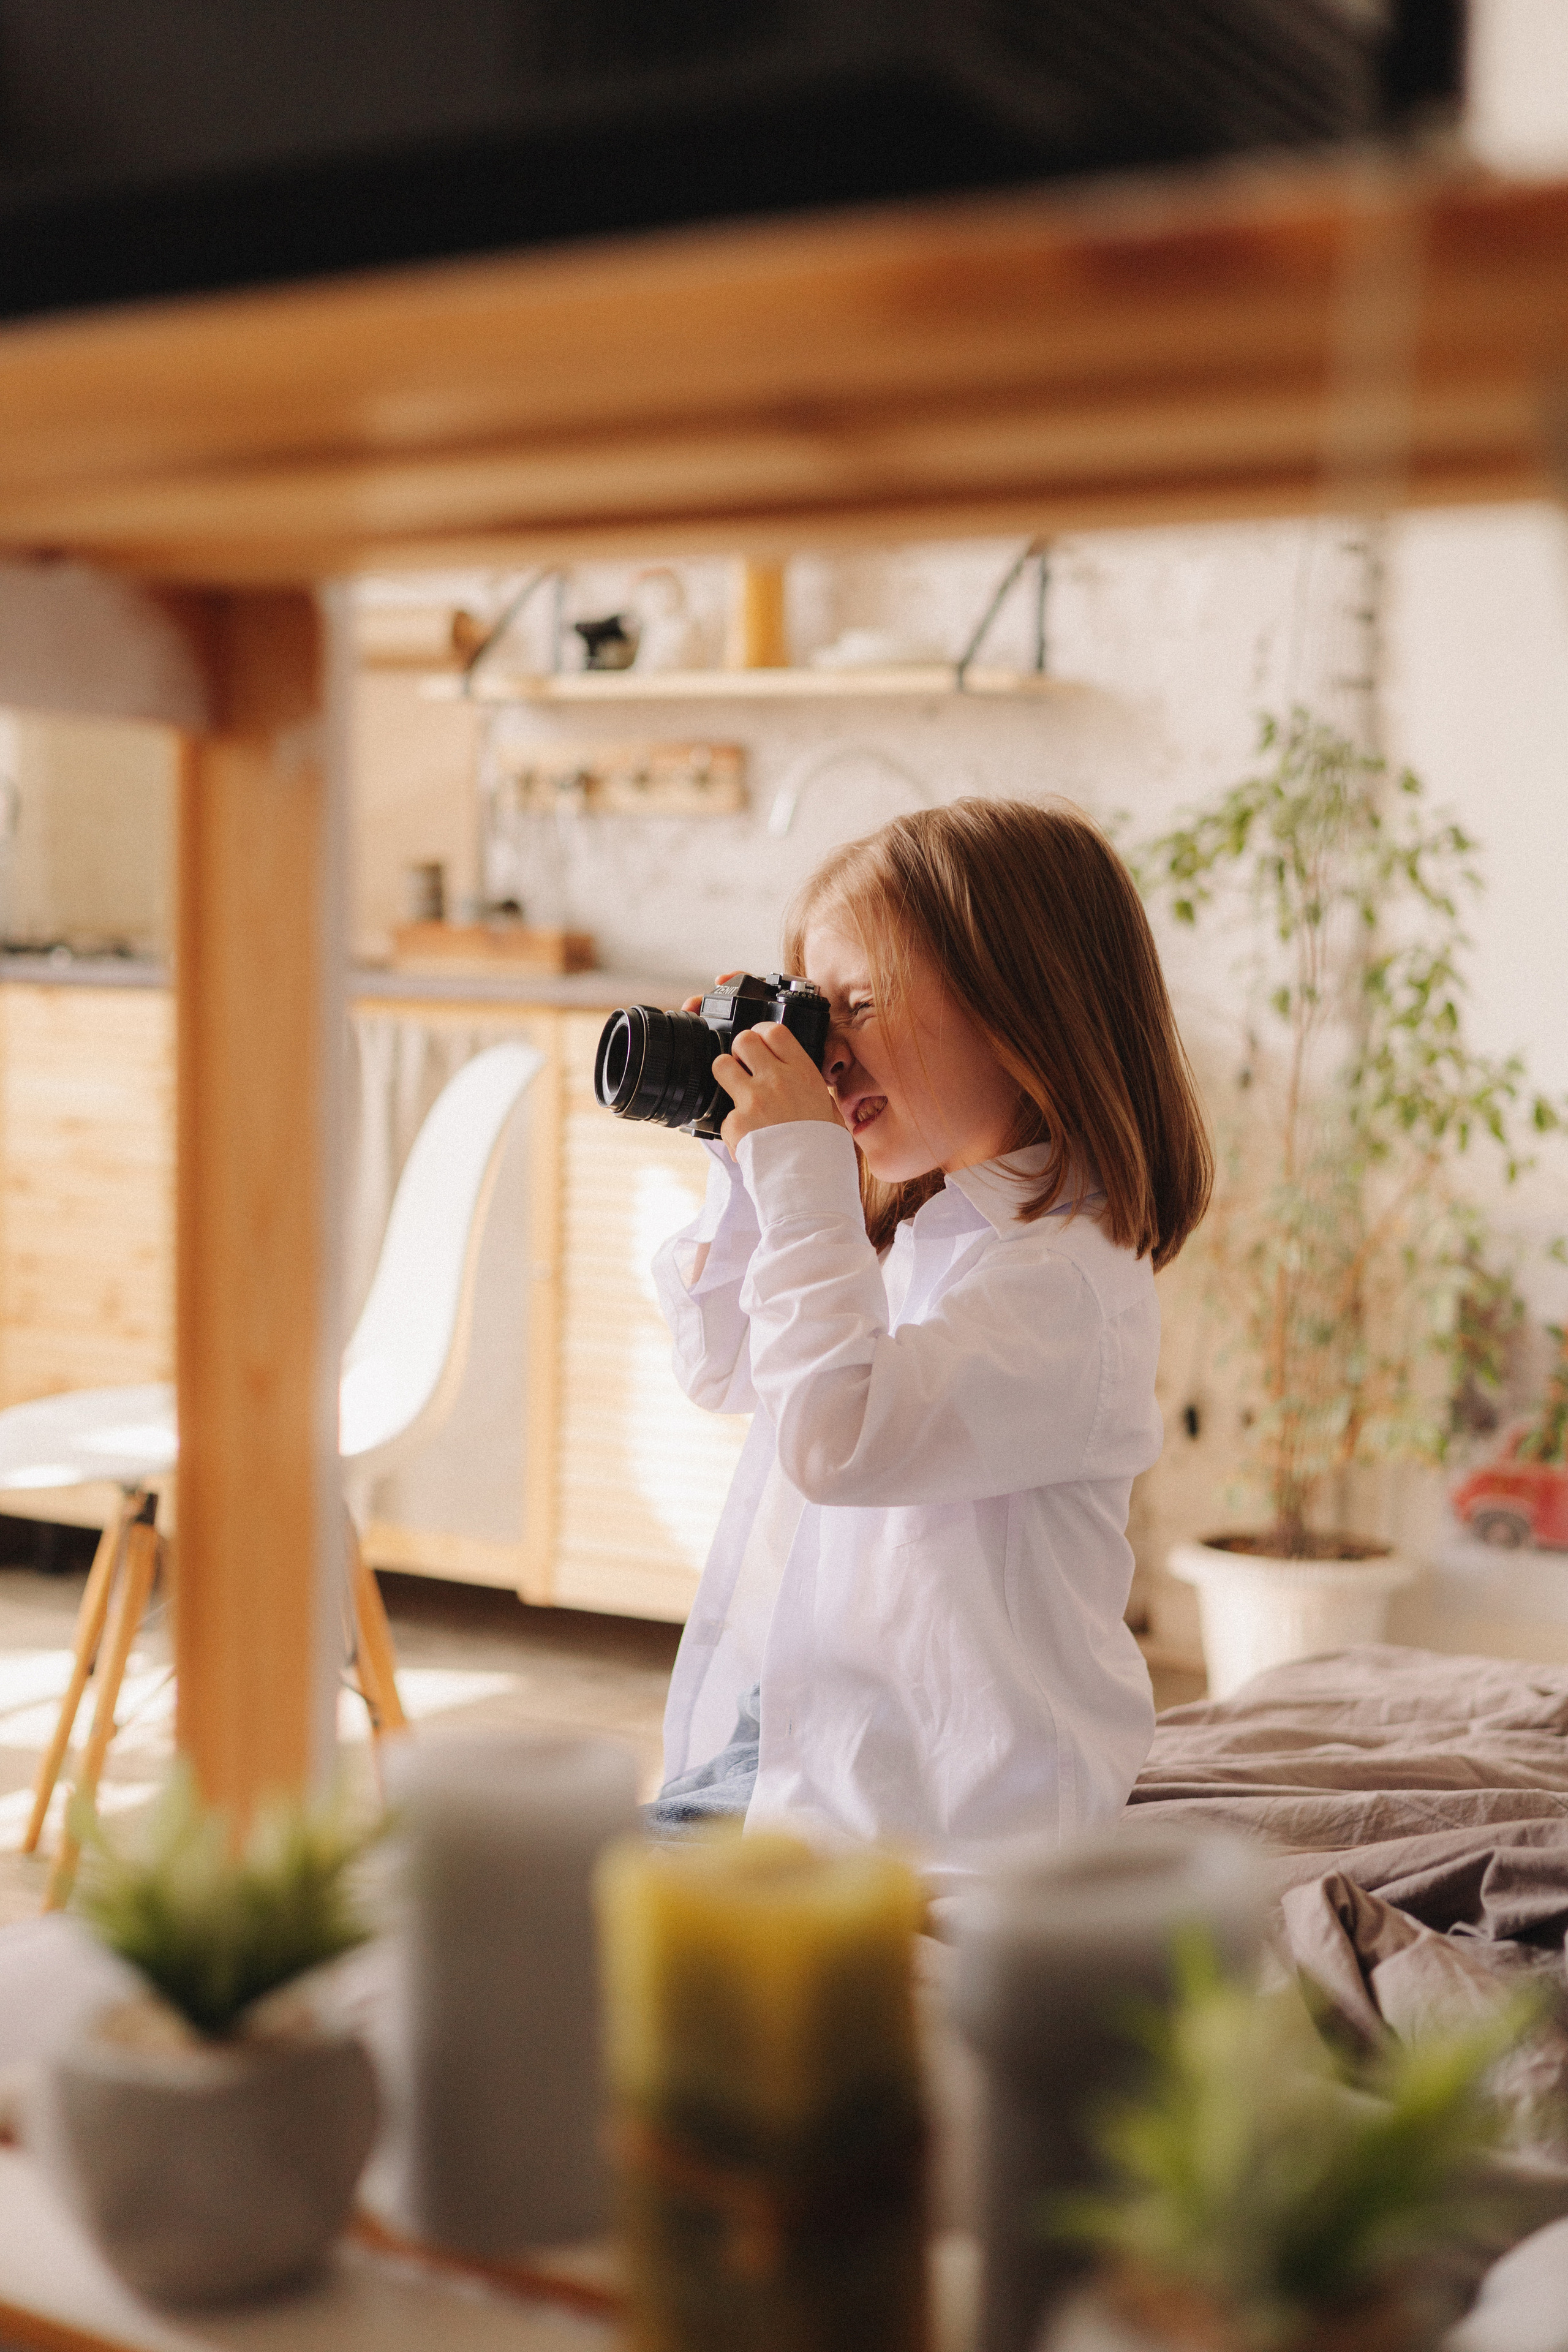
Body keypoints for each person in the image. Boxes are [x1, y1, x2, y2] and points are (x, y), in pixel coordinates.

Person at [647, 797, 1212, 1879]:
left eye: (859, 1004)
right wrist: (746, 1166)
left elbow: (835, 1441)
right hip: (806, 1745)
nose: (833, 1055)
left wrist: (804, 1175)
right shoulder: (930, 1228)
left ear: (1025, 1009)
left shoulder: (1066, 1286)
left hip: (937, 1805)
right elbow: (722, 1369)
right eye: (819, 1014)